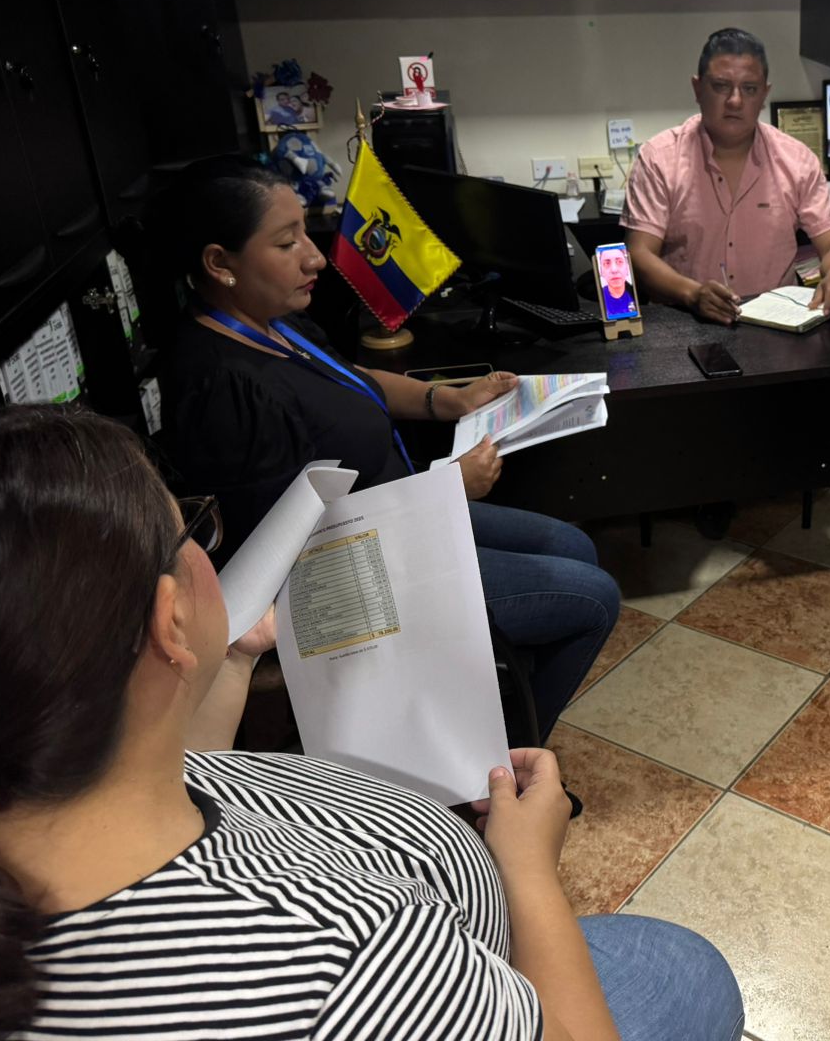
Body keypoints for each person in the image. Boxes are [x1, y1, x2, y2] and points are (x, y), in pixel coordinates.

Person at [0, 406, 744, 1040]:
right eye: (191, 529)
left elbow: (180, 766)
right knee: (686, 969)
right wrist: (528, 867)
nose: (204, 546)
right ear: (168, 619)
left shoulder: (24, 816)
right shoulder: (345, 960)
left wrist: (233, 661)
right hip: (473, 970)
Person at [155, 157, 618, 741]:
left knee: (572, 543)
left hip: (394, 517)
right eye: (287, 242)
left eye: (305, 233)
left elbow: (347, 378)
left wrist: (445, 399)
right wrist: (446, 487)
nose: (315, 257)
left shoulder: (274, 319)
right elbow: (290, 552)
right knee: (594, 599)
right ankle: (498, 762)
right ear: (220, 263)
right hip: (345, 578)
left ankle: (476, 695)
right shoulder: (221, 387)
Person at [623, 27, 830, 324]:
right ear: (697, 89)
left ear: (764, 94)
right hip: (685, 322)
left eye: (749, 89)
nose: (735, 100)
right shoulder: (659, 158)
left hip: (778, 325)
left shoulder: (796, 160)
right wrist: (692, 294)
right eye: (721, 86)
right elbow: (638, 253)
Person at [596, 245, 638, 318]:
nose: (614, 270)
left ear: (627, 268)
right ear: (601, 271)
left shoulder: (635, 294)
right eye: (607, 263)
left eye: (620, 262)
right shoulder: (599, 297)